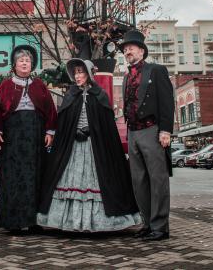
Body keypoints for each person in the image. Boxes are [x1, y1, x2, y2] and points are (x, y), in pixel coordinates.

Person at [37, 58, 140, 232]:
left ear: (89, 74)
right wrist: (73, 131)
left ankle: (98, 222)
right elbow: (64, 121)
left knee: (96, 180)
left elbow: (106, 125)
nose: (77, 76)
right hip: (73, 146)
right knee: (68, 178)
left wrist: (91, 130)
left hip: (95, 147)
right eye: (75, 73)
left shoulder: (100, 95)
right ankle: (68, 221)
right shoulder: (71, 94)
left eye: (81, 72)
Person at [0, 44, 57, 233]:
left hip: (35, 136)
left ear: (32, 64)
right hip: (12, 137)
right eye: (21, 60)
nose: (24, 63)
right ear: (14, 64)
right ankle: (13, 221)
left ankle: (34, 221)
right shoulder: (5, 85)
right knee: (13, 177)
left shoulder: (39, 85)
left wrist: (49, 132)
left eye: (27, 61)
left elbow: (50, 110)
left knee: (35, 177)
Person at [120, 29, 174, 241]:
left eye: (130, 48)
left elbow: (167, 101)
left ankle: (160, 227)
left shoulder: (157, 70)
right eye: (125, 49)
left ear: (141, 50)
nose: (127, 51)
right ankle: (148, 222)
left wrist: (166, 130)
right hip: (133, 131)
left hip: (152, 130)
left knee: (157, 179)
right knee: (138, 180)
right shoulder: (126, 77)